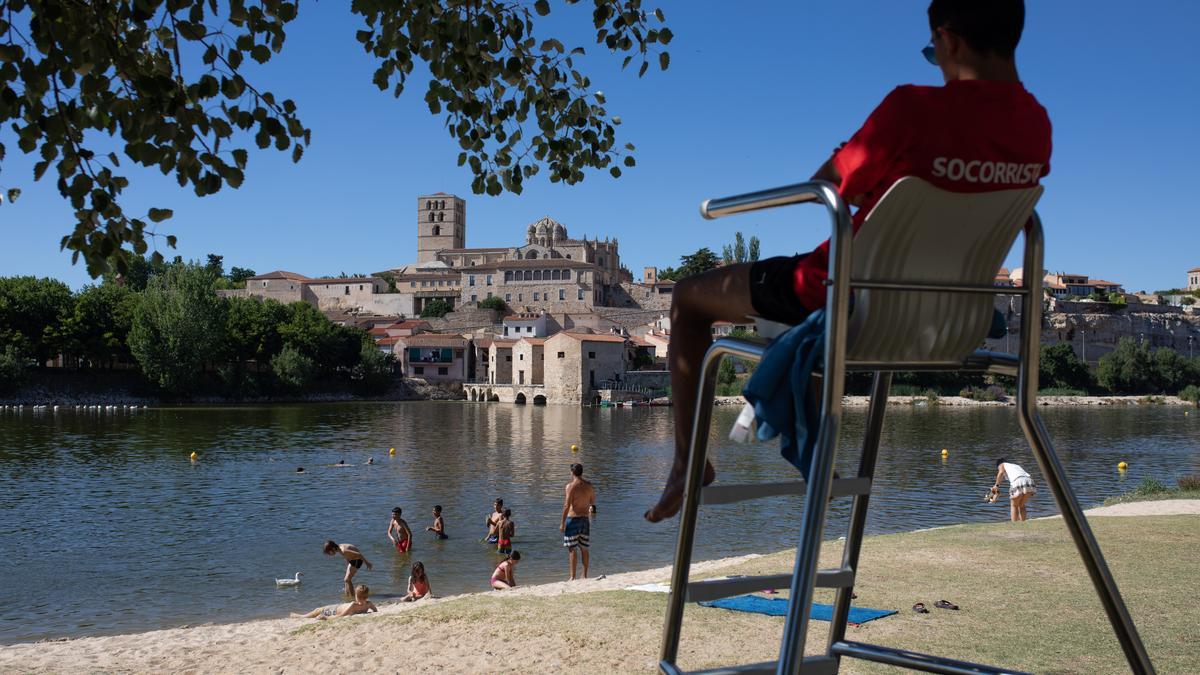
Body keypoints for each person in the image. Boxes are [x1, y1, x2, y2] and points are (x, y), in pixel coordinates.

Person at [645, 0, 1051, 523]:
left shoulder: (912, 110)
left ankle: (689, 462)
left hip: (837, 296)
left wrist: (850, 153)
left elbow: (827, 183)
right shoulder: (1035, 126)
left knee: (687, 296)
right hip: (947, 326)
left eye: (934, 52)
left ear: (948, 41)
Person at [561, 463, 596, 580]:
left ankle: (572, 576)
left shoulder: (570, 486)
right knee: (584, 548)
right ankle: (584, 575)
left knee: (572, 549)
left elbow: (566, 506)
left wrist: (562, 523)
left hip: (573, 519)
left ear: (572, 473)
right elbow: (592, 501)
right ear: (582, 472)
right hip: (585, 519)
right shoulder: (589, 485)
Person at [291, 584, 378, 620]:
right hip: (336, 608)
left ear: (356, 596)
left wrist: (326, 618)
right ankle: (297, 616)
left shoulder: (354, 605)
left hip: (334, 610)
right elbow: (375, 611)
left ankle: (298, 616)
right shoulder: (368, 604)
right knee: (317, 610)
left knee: (317, 611)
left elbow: (340, 616)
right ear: (367, 596)